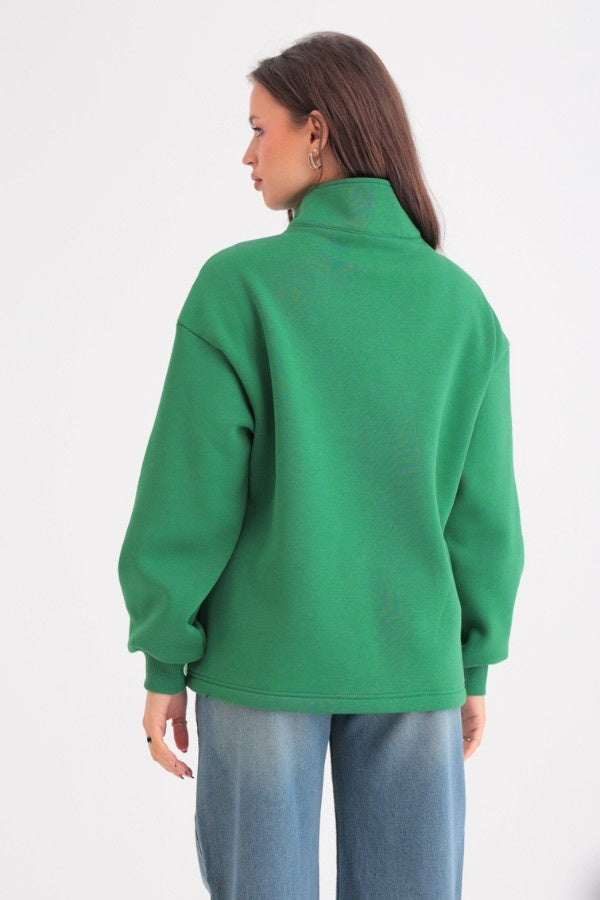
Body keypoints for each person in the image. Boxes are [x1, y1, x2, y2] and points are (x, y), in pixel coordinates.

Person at [117, 30, 525, 899]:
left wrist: (163, 656)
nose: (246, 154)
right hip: (413, 664)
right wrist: (471, 664)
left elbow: (189, 498)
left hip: (261, 664)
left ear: (316, 130)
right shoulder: (462, 308)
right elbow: (484, 518)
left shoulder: (240, 288)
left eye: (257, 129)